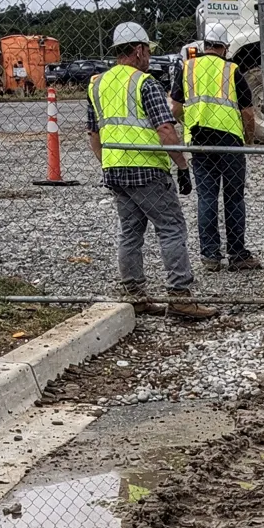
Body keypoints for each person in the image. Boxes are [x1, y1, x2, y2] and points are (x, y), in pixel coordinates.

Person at [85, 22, 218, 322]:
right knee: (171, 228)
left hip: (116, 170)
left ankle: (135, 295)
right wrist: (182, 166)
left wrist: (108, 162)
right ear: (139, 50)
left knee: (129, 232)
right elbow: (165, 129)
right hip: (148, 169)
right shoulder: (145, 84)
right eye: (147, 50)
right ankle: (180, 297)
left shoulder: (96, 84)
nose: (148, 57)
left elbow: (94, 135)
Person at [169, 23, 263, 273]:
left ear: (204, 44)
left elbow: (175, 108)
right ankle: (237, 254)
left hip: (199, 139)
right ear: (225, 47)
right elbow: (247, 113)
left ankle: (210, 255)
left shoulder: (187, 69)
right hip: (230, 141)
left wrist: (188, 123)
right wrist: (249, 139)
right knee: (234, 197)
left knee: (207, 197)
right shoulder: (232, 70)